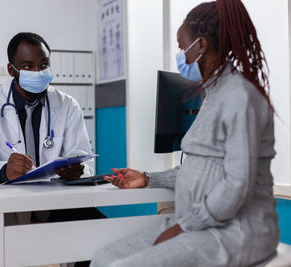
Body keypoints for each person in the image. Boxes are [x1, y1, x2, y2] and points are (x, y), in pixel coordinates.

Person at [91, 0, 279, 266]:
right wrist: (148, 178)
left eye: (182, 48)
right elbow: (202, 168)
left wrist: (185, 226)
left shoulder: (240, 96)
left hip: (236, 232)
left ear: (200, 45)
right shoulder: (213, 93)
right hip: (201, 223)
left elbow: (237, 183)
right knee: (103, 258)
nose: (181, 57)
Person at [0, 32, 93, 184]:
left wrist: (77, 170)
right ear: (11, 70)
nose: (38, 72)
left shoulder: (67, 105)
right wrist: (5, 171)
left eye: (44, 65)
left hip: (57, 199)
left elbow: (86, 161)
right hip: (9, 201)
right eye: (28, 67)